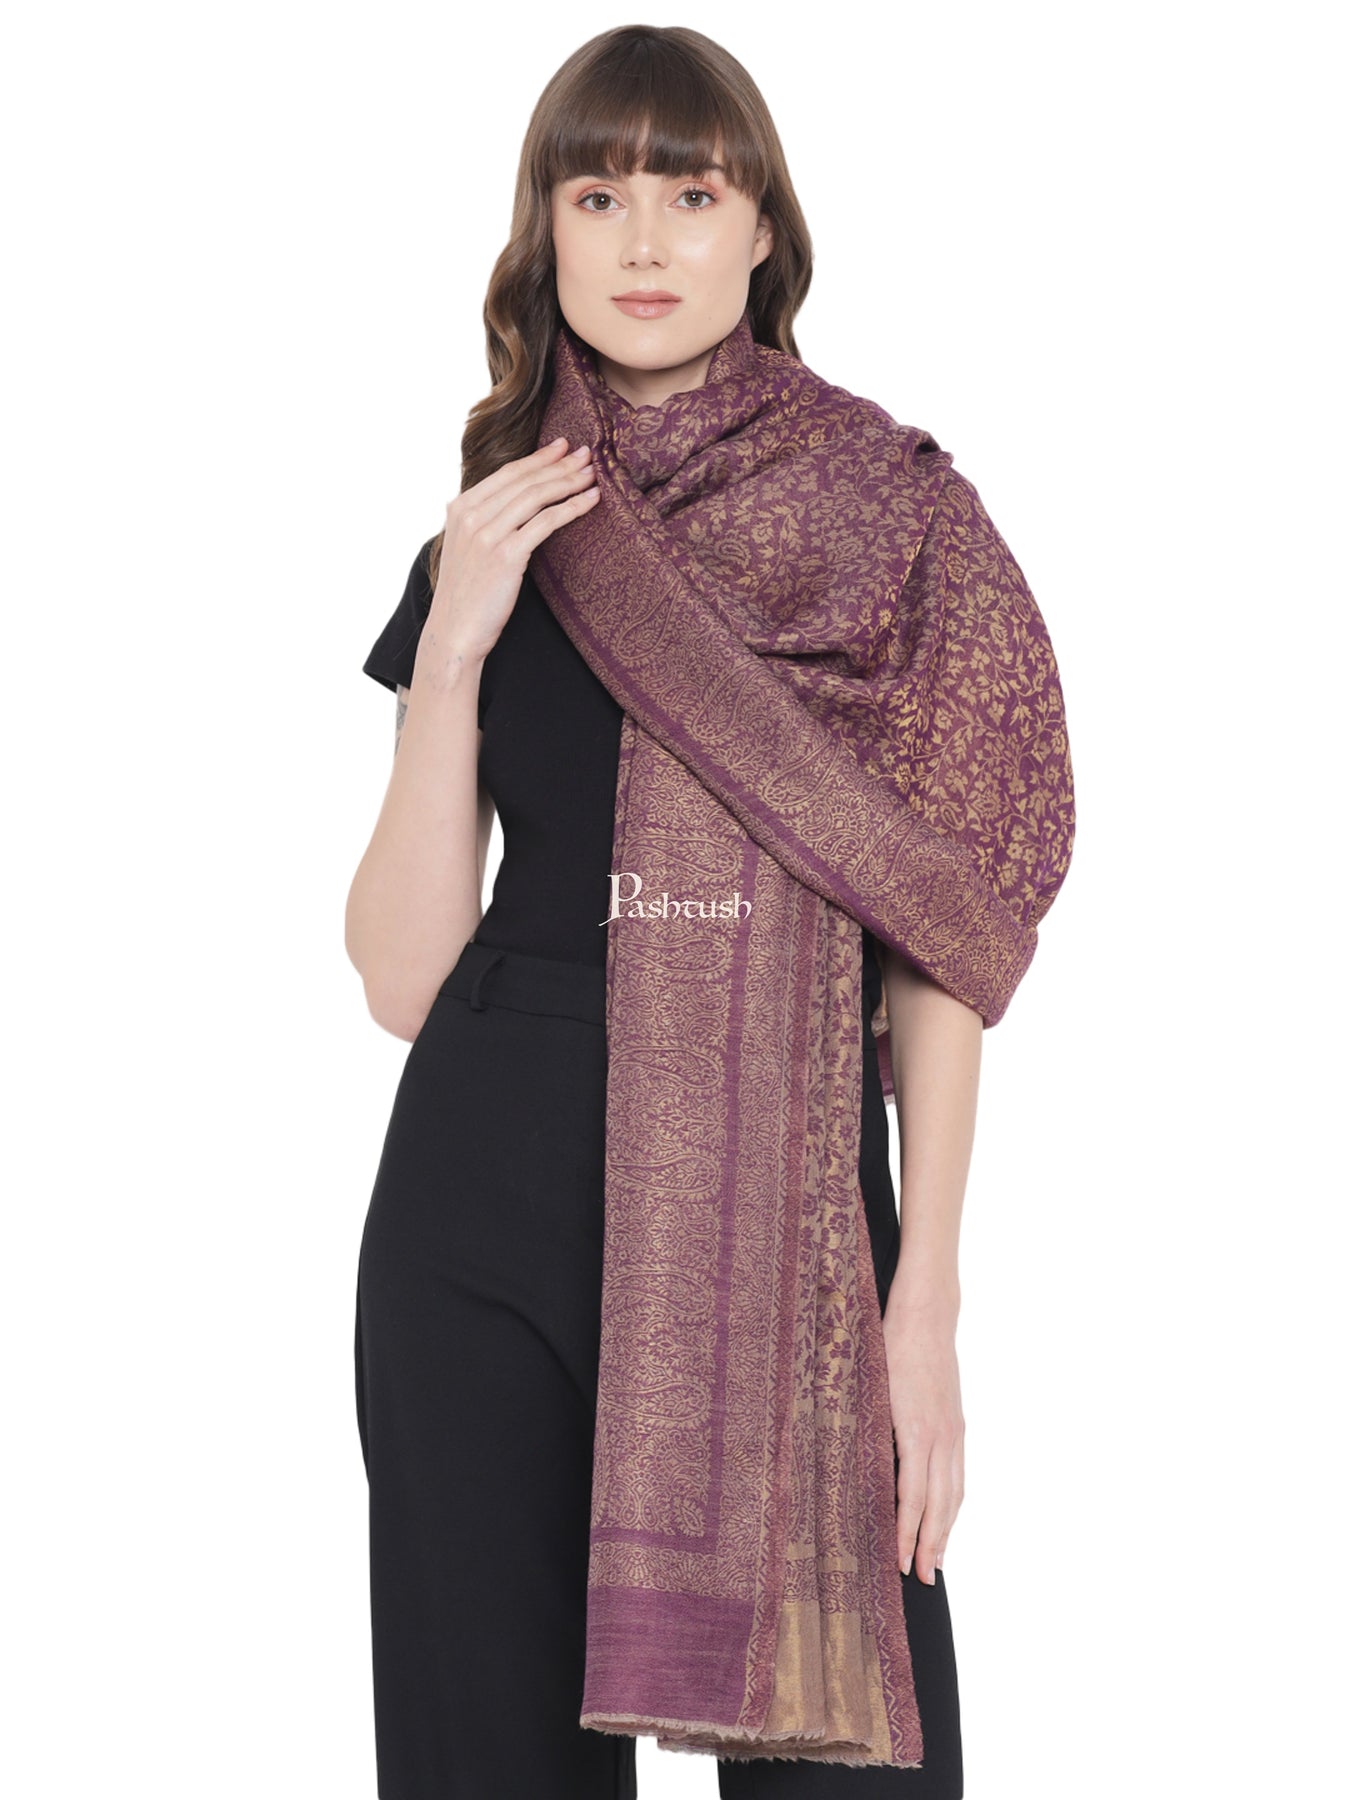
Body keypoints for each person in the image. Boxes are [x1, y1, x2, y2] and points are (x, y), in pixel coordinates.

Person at [346, 25, 1073, 1800]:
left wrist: (922, 1302)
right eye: (597, 197)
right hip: (486, 1189)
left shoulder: (897, 522)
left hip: (790, 1201)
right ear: (545, 233)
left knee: (855, 1750)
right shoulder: (499, 536)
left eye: (690, 192)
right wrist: (454, 648)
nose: (646, 240)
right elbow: (402, 976)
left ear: (763, 231)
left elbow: (944, 936)